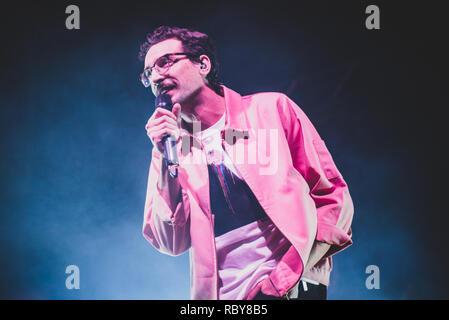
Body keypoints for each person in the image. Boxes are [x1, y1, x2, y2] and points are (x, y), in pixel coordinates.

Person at [139, 26, 354, 300]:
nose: (156, 75)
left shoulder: (271, 110)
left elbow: (333, 198)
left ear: (202, 64)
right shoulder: (170, 146)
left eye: (165, 62)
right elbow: (170, 241)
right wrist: (166, 168)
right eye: (148, 73)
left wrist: (290, 273)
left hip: (292, 286)